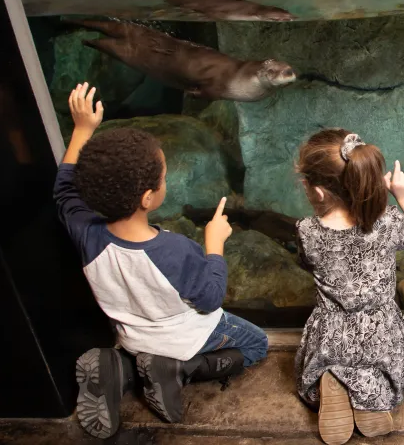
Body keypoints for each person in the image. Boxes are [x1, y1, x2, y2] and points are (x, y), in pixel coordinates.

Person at [54, 82, 268, 438]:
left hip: (132, 338)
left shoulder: (85, 233)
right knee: (256, 344)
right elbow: (210, 297)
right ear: (149, 197)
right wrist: (214, 244)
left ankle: (121, 369)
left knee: (137, 351)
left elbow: (64, 189)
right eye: (164, 176)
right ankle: (181, 369)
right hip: (187, 338)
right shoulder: (174, 250)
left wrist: (82, 129)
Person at [293, 129, 404, 445]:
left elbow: (307, 262)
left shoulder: (306, 230)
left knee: (335, 351)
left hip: (331, 336)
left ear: (317, 192)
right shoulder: (386, 222)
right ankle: (370, 388)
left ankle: (333, 375)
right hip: (380, 333)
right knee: (380, 360)